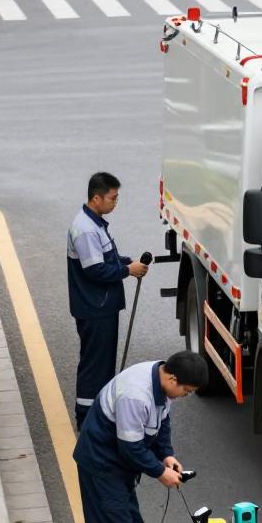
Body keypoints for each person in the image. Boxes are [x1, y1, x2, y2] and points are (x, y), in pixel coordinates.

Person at [73, 351, 208, 523]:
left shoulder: (162, 386)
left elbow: (162, 423)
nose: (185, 395)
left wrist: (167, 455)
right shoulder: (136, 394)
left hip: (118, 465)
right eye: (186, 390)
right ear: (172, 378)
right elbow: (131, 447)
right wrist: (161, 473)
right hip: (102, 465)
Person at [67, 172, 148, 431]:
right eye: (112, 198)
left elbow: (105, 259)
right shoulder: (86, 230)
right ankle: (86, 419)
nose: (116, 203)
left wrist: (125, 262)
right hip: (95, 308)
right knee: (95, 366)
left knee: (102, 365)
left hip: (101, 306)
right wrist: (128, 271)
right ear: (96, 198)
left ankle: (98, 415)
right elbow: (95, 271)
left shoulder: (96, 223)